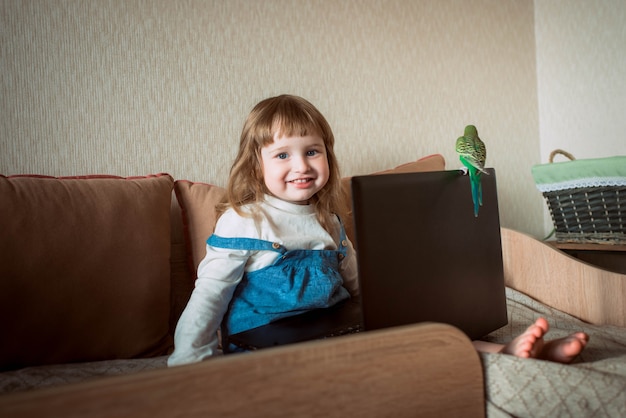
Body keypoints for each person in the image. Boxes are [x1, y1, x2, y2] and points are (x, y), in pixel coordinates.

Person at [167, 94, 588, 367]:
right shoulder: (244, 218)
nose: (301, 166)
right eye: (282, 155)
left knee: (414, 333)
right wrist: (190, 363)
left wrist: (395, 314)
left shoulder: (328, 219)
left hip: (330, 328)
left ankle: (511, 353)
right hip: (265, 345)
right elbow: (210, 293)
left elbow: (358, 282)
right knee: (385, 355)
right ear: (256, 165)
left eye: (312, 151)